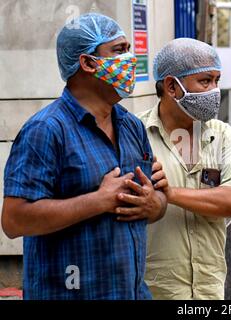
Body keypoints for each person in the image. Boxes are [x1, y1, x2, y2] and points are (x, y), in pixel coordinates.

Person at [1, 13, 167, 300]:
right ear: (88, 63)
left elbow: (157, 201)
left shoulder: (132, 126)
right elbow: (14, 220)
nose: (129, 60)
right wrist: (97, 201)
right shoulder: (46, 130)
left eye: (128, 49)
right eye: (119, 51)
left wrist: (155, 204)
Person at [138, 38, 231, 300]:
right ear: (171, 86)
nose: (214, 91)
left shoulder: (223, 135)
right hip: (154, 290)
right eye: (205, 81)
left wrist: (169, 193)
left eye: (217, 80)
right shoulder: (135, 134)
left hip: (209, 290)